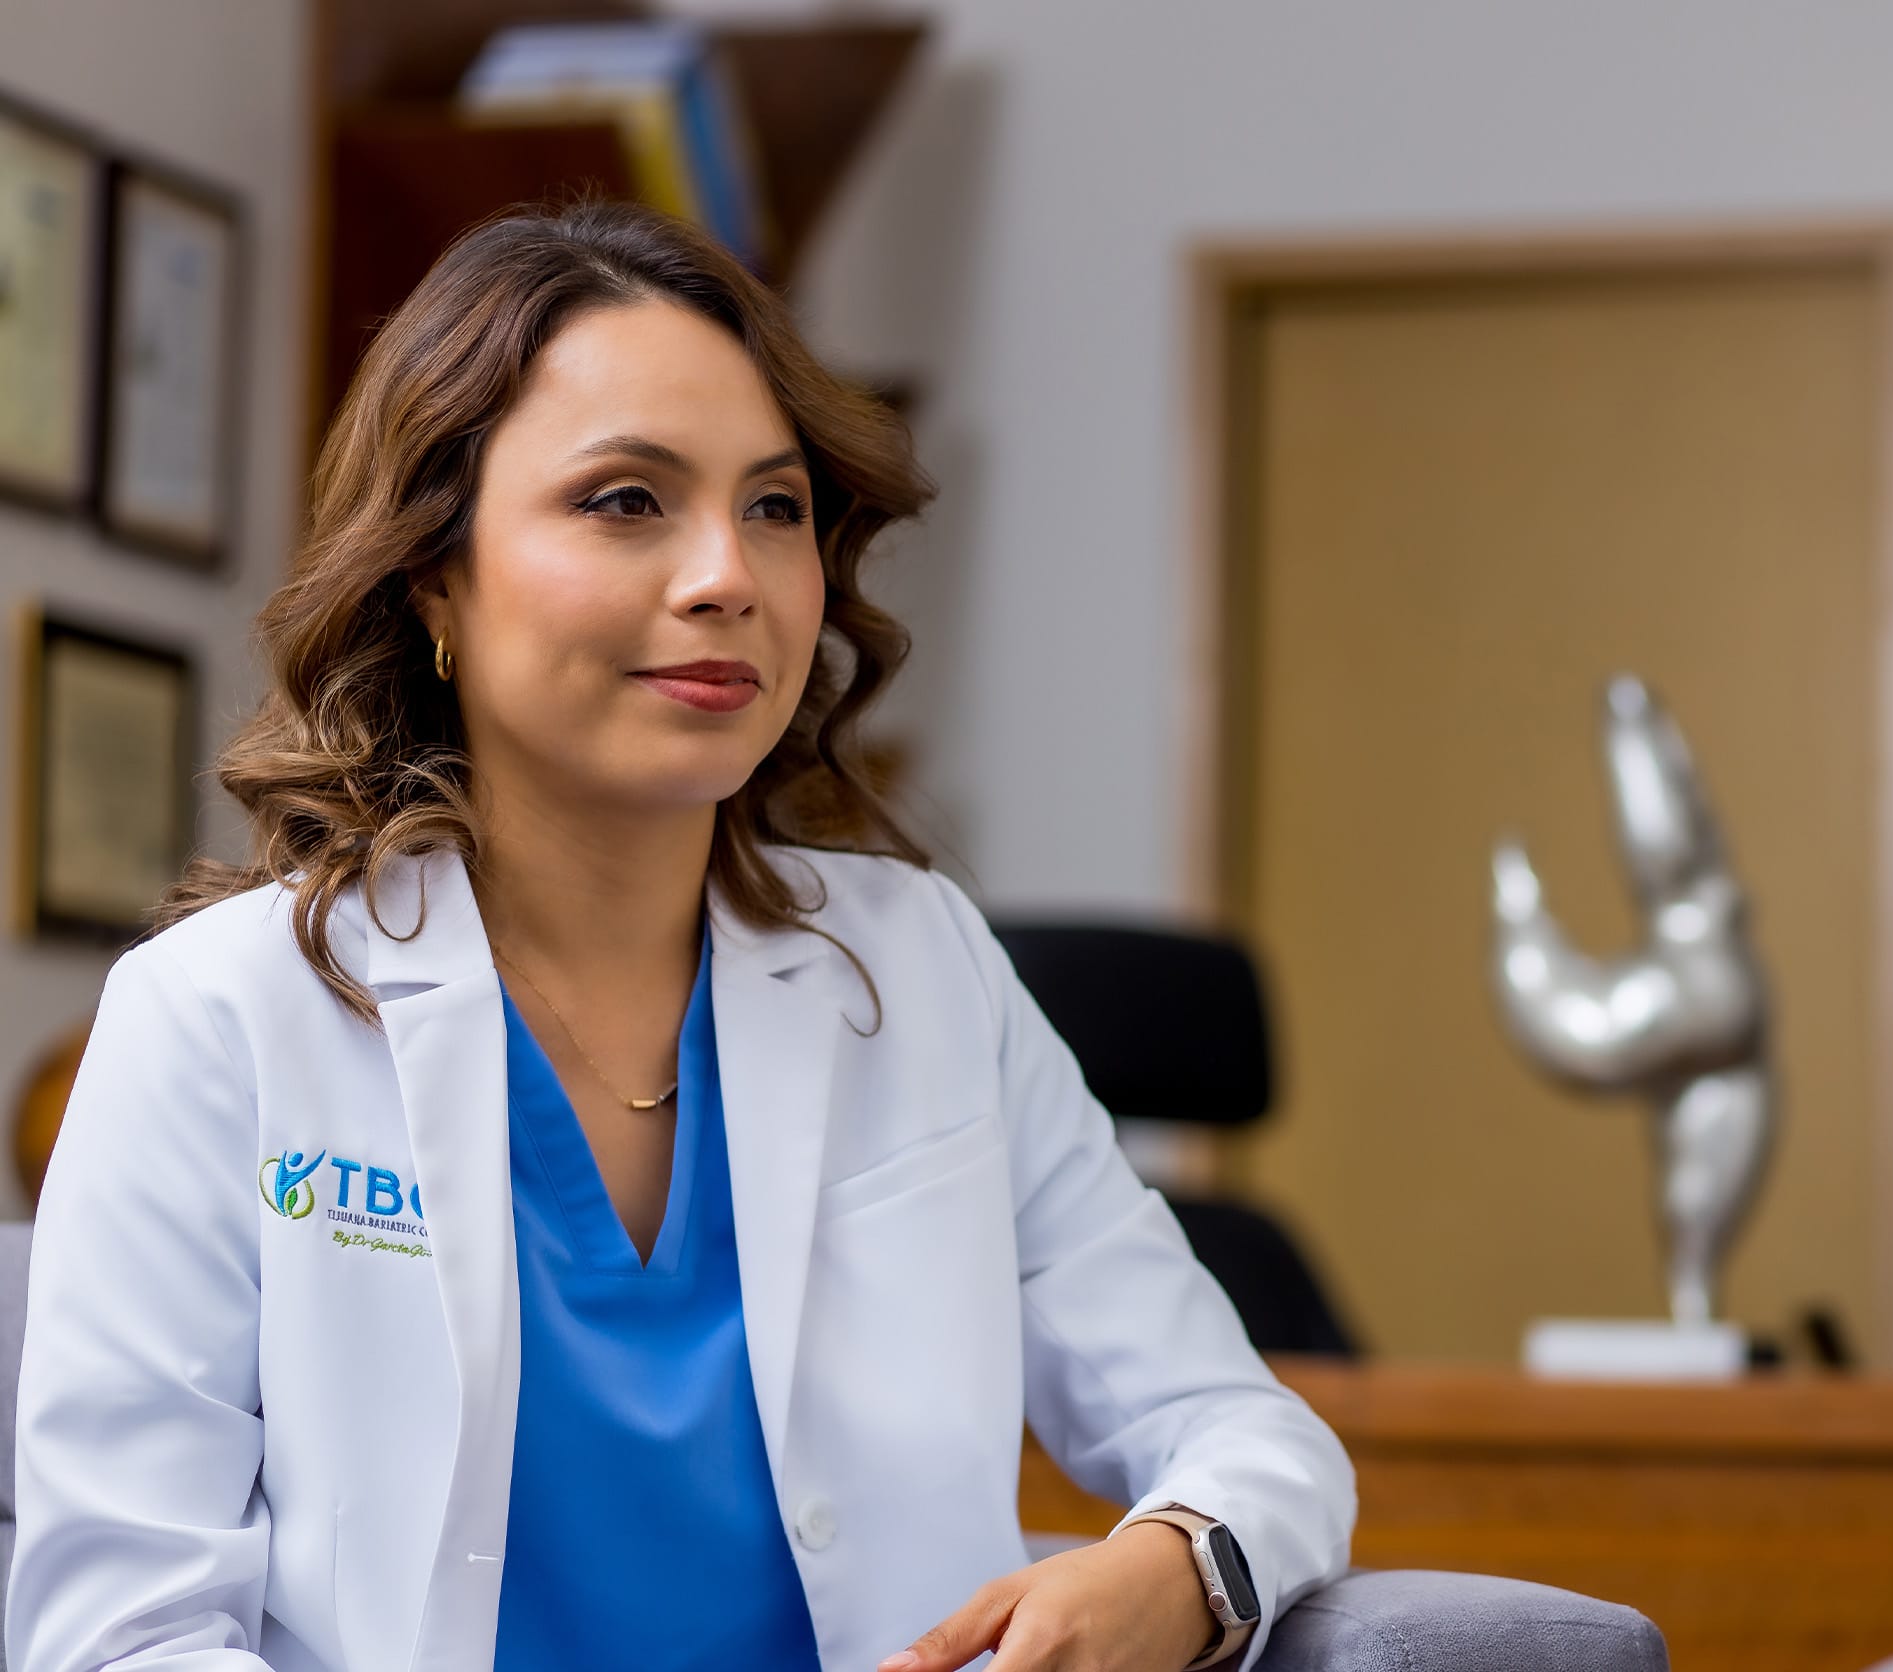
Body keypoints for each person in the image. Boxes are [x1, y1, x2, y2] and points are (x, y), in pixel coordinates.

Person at [5, 196, 1354, 1672]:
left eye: (774, 508)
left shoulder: (920, 971)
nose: (728, 576)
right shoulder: (218, 1018)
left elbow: (1246, 1432)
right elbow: (115, 1638)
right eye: (625, 500)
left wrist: (1184, 1570)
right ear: (432, 579)